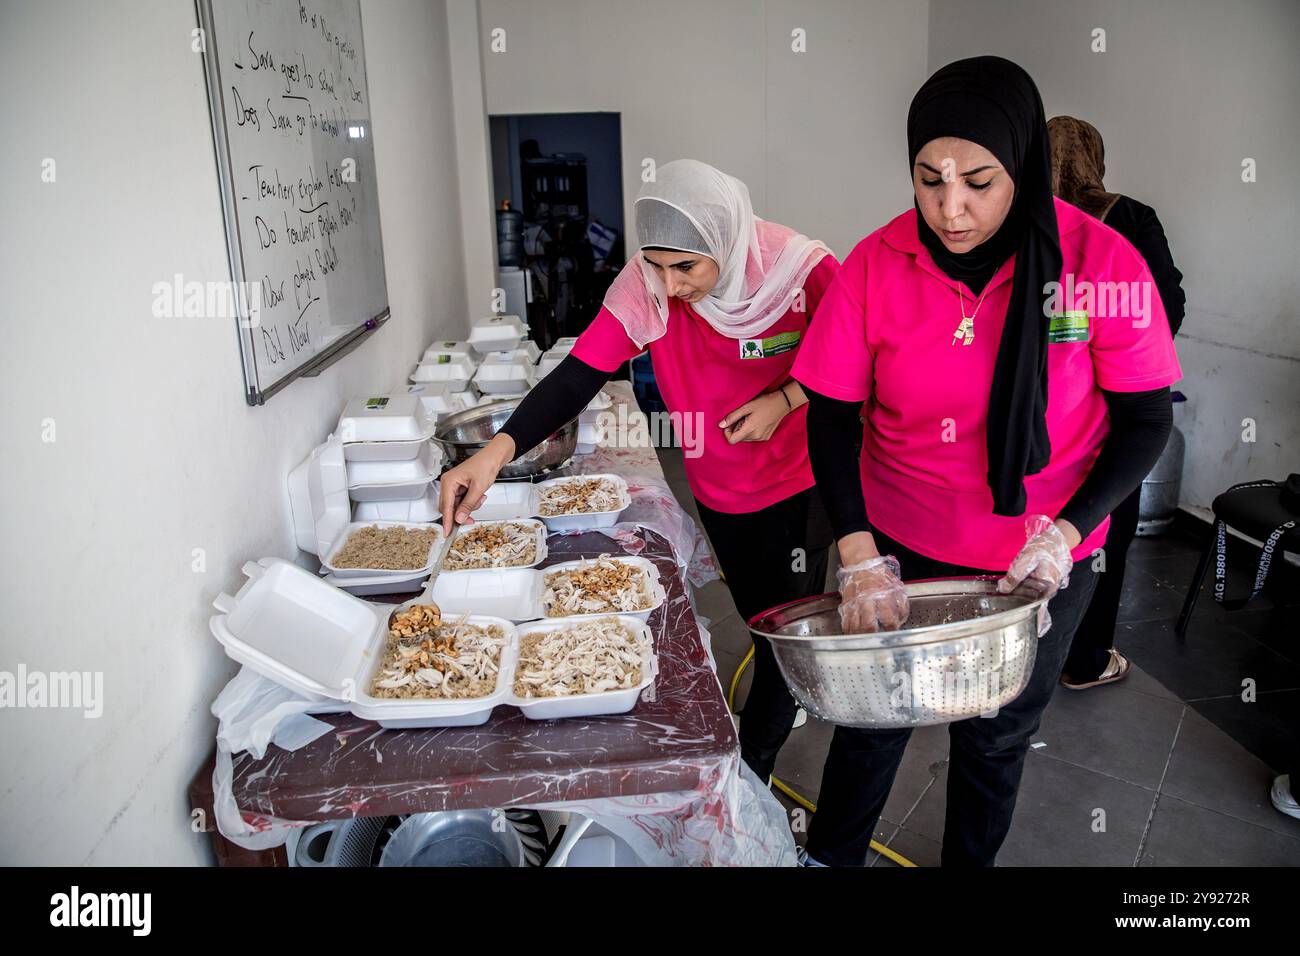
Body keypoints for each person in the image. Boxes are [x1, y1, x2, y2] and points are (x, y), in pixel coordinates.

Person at [790, 56, 1182, 866]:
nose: (950, 208)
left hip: (1036, 557)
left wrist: (1065, 533)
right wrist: (858, 552)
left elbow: (1145, 420)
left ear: (1025, 168)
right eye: (928, 180)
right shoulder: (876, 263)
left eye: (978, 180)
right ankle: (828, 858)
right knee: (873, 724)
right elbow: (829, 417)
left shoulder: (1099, 264)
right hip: (903, 547)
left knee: (996, 736)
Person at [438, 159, 838, 783]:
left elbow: (853, 349)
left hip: (798, 483)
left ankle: (749, 772)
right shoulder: (646, 284)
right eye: (656, 264)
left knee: (786, 642)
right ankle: (762, 724)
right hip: (719, 487)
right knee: (759, 622)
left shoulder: (798, 271)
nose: (670, 285)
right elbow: (578, 374)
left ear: (725, 243)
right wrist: (496, 451)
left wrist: (786, 400)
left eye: (687, 268)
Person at [1048, 115, 1186, 690]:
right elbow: (1168, 305)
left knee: (1017, 527)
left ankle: (1008, 657)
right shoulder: (1129, 218)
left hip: (1032, 409)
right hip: (1111, 408)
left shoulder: (1014, 218)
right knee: (1101, 525)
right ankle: (1083, 660)